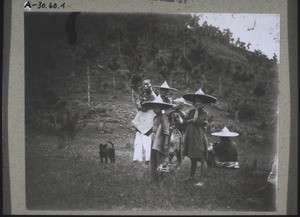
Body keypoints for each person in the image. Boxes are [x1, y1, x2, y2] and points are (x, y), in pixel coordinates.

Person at [181, 88, 217, 187]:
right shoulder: (190, 111)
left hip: (199, 136)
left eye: (199, 101)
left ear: (203, 103)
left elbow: (198, 121)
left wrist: (192, 119)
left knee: (202, 158)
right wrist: (190, 120)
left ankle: (202, 179)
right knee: (192, 158)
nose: (197, 103)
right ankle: (191, 177)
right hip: (190, 135)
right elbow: (184, 122)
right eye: (196, 101)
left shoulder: (204, 113)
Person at [141, 96, 173, 186]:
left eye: (158, 107)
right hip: (154, 141)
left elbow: (166, 131)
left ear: (162, 108)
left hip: (161, 142)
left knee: (161, 160)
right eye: (154, 107)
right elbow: (153, 128)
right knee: (154, 160)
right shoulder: (155, 117)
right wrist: (146, 131)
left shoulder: (164, 118)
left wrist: (166, 143)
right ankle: (154, 178)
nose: (156, 109)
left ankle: (162, 179)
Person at [132, 79, 157, 165]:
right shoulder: (145, 95)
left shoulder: (152, 96)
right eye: (144, 85)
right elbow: (141, 107)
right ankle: (136, 159)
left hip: (148, 122)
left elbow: (145, 108)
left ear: (151, 85)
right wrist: (138, 105)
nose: (146, 86)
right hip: (142, 120)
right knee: (137, 141)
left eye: (147, 85)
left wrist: (139, 105)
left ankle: (148, 160)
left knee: (146, 141)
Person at [168, 97, 191, 167]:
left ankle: (179, 162)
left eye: (175, 104)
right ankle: (169, 160)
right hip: (172, 131)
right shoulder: (171, 113)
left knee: (178, 148)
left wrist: (177, 127)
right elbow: (169, 120)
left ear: (180, 105)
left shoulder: (182, 114)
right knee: (170, 146)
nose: (174, 105)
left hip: (179, 133)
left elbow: (185, 125)